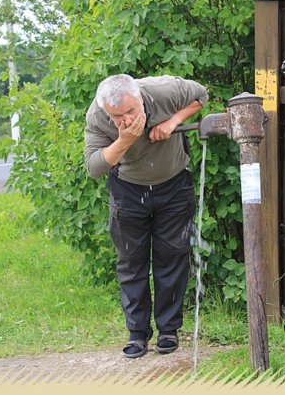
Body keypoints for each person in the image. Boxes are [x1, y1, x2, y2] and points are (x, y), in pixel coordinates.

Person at [84, 74, 209, 358]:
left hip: (174, 183)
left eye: (131, 111)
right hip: (128, 190)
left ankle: (169, 330)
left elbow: (201, 96)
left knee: (172, 256)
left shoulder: (163, 91)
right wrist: (123, 140)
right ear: (106, 111)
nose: (126, 119)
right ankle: (137, 334)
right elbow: (94, 167)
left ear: (139, 97)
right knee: (131, 261)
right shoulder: (97, 116)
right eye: (117, 116)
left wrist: (172, 121)